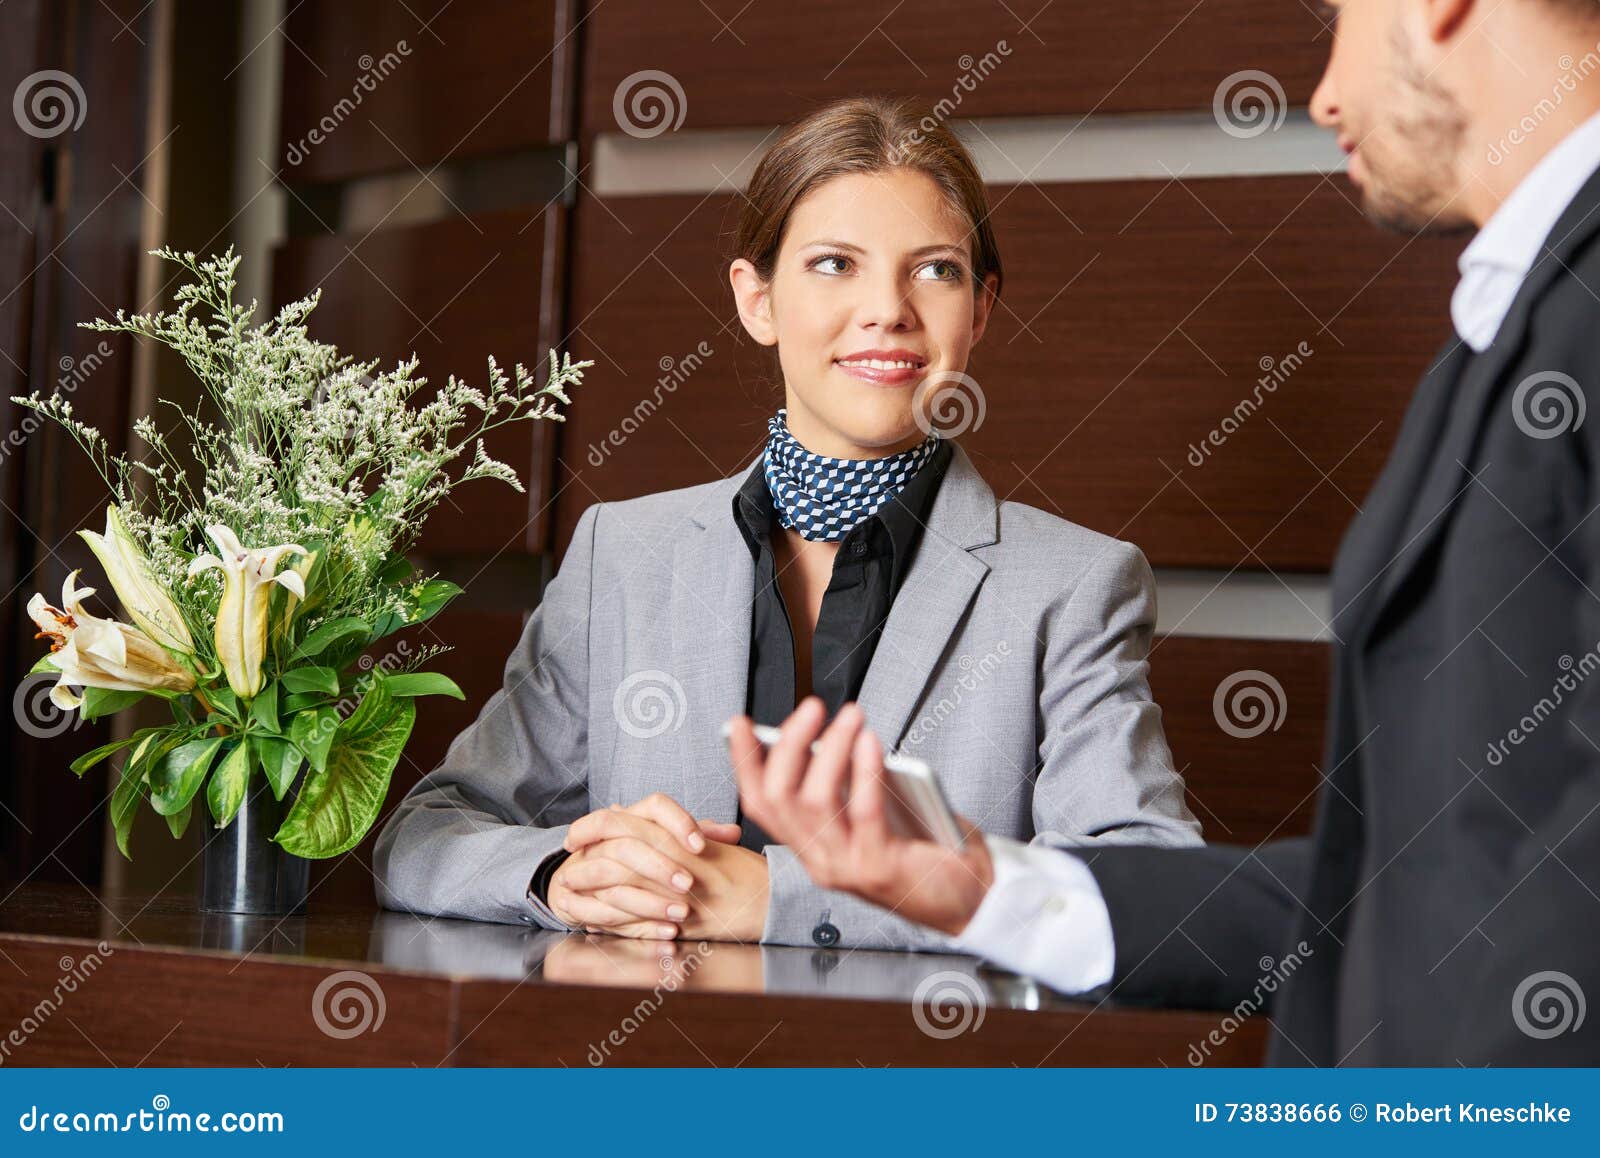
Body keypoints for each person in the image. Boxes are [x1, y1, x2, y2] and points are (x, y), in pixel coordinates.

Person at [732, 0, 1600, 1064]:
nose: (1324, 92)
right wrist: (980, 885)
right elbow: (1396, 887)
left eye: (1338, 17)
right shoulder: (1503, 333)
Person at [373, 97, 1201, 950]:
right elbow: (429, 836)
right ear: (757, 299)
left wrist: (777, 897)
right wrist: (562, 874)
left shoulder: (1071, 584)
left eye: (936, 270)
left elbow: (1147, 886)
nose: (887, 309)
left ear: (980, 310)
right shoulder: (621, 556)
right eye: (836, 264)